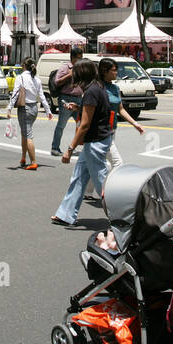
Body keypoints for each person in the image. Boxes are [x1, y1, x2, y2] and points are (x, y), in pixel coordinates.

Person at [50, 59, 113, 225]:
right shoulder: (96, 88)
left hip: (95, 142)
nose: (73, 76)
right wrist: (79, 108)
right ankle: (65, 214)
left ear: (82, 74)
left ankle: (121, 216)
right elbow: (93, 114)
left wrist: (69, 149)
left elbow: (84, 125)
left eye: (75, 73)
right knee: (78, 177)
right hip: (96, 140)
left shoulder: (91, 91)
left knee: (101, 182)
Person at [99, 57, 143, 177]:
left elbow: (121, 109)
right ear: (104, 71)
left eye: (116, 69)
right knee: (117, 163)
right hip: (102, 131)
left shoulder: (115, 88)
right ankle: (111, 189)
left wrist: (135, 124)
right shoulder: (98, 88)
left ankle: (88, 191)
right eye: (113, 70)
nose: (116, 72)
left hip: (112, 128)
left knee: (96, 161)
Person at [10, 57, 52, 169]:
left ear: (23, 66)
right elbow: (42, 97)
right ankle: (23, 157)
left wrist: (9, 108)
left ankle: (33, 162)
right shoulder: (36, 79)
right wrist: (48, 111)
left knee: (28, 135)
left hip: (24, 108)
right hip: (34, 108)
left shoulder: (20, 77)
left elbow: (15, 93)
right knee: (25, 133)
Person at [49, 47, 84, 156]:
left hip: (78, 99)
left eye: (81, 58)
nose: (80, 60)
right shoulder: (65, 67)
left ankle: (86, 147)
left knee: (83, 124)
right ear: (72, 58)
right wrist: (69, 74)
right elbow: (57, 82)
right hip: (66, 99)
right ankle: (55, 148)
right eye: (78, 58)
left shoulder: (81, 68)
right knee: (61, 125)